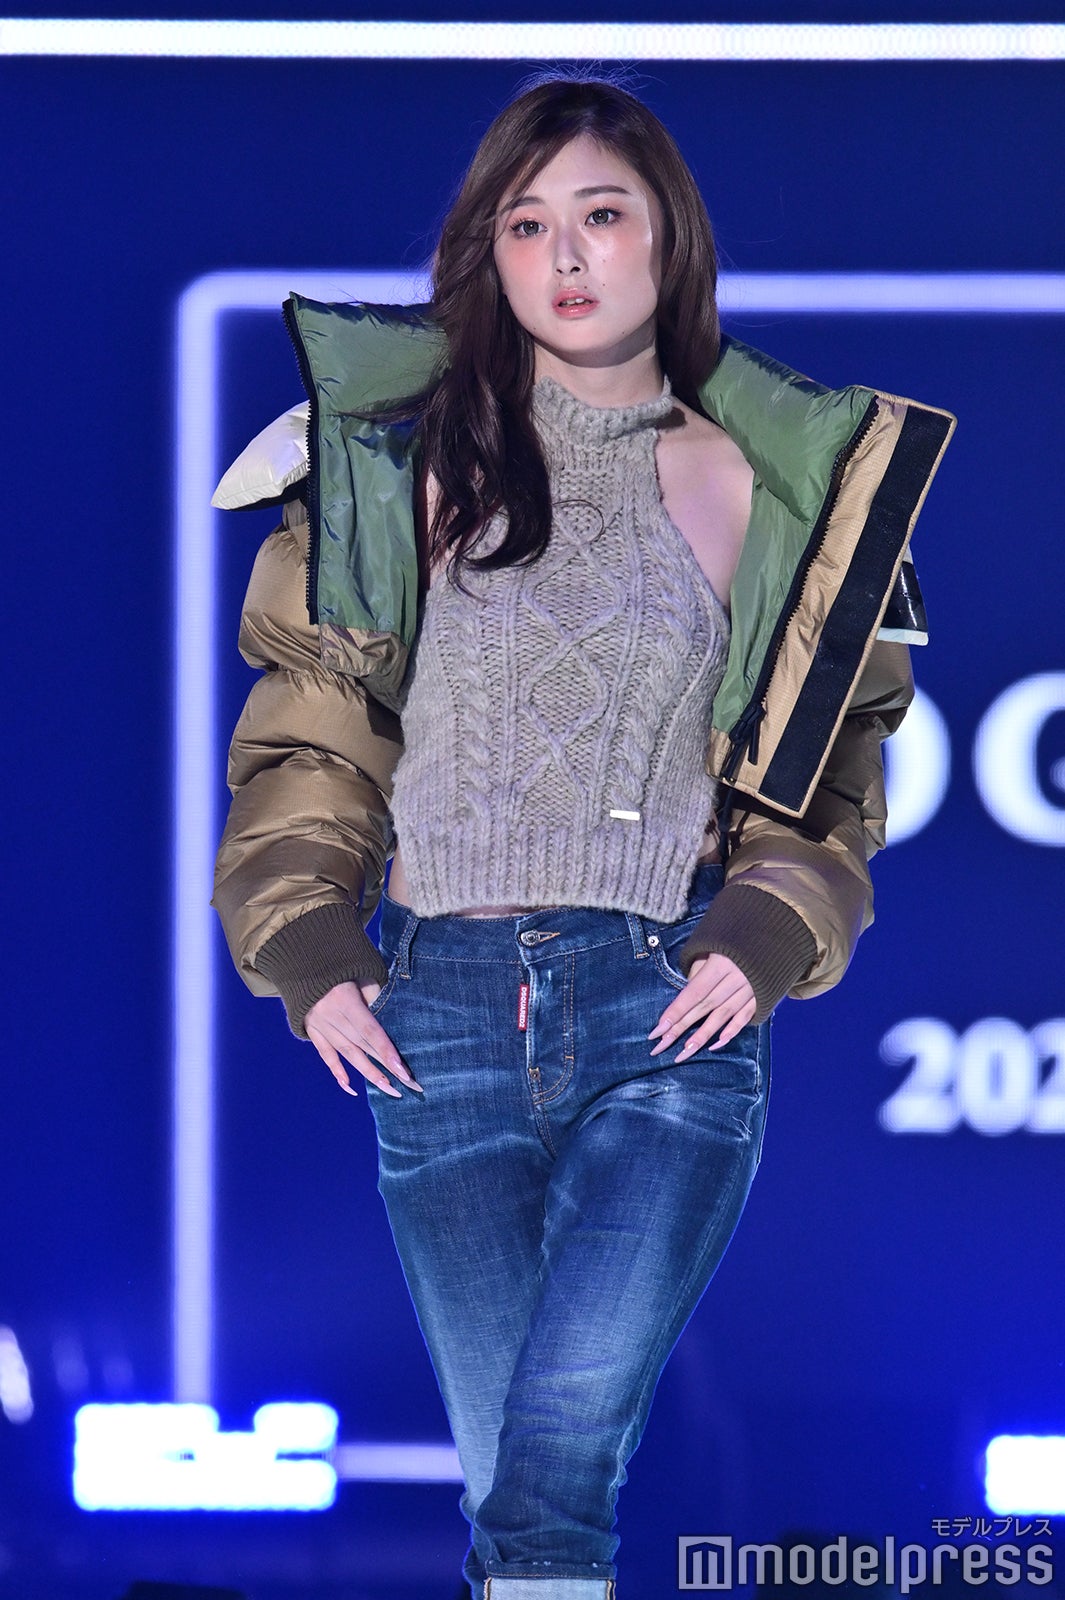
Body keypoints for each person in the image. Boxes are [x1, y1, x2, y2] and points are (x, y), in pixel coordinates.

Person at [212, 77, 955, 1600]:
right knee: (518, 1491)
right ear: (485, 255)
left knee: (551, 1466)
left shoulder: (764, 491)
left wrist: (761, 934)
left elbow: (824, 771)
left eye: (600, 215)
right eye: (525, 223)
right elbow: (313, 736)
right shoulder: (400, 469)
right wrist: (310, 948)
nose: (563, 254)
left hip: (661, 1015)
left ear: (666, 237)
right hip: (438, 1017)